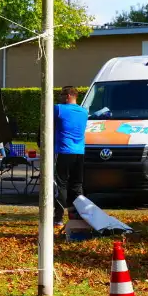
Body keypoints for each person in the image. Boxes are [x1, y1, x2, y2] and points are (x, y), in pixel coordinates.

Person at [53, 86, 88, 230]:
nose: (59, 97)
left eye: (61, 94)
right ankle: (79, 215)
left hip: (63, 151)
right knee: (77, 185)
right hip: (79, 152)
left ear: (68, 96)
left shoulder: (59, 109)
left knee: (61, 185)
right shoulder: (84, 112)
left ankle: (58, 218)